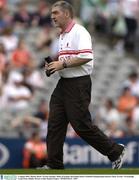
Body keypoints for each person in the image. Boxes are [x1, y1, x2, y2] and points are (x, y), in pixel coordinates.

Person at [40, 1, 125, 170]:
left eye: (56, 12)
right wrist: (54, 66)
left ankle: (115, 151)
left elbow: (86, 57)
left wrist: (62, 65)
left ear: (66, 14)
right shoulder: (62, 35)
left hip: (79, 83)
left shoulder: (80, 31)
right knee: (55, 123)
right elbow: (68, 61)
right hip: (64, 83)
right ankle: (54, 164)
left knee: (81, 125)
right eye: (52, 13)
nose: (52, 16)